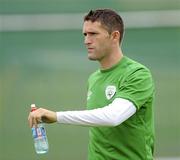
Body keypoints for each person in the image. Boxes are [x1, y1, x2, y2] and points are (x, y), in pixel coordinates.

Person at [28, 9, 155, 160]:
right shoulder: (93, 78)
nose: (86, 40)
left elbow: (113, 117)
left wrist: (57, 116)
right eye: (85, 34)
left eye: (93, 34)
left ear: (114, 36)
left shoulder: (138, 74)